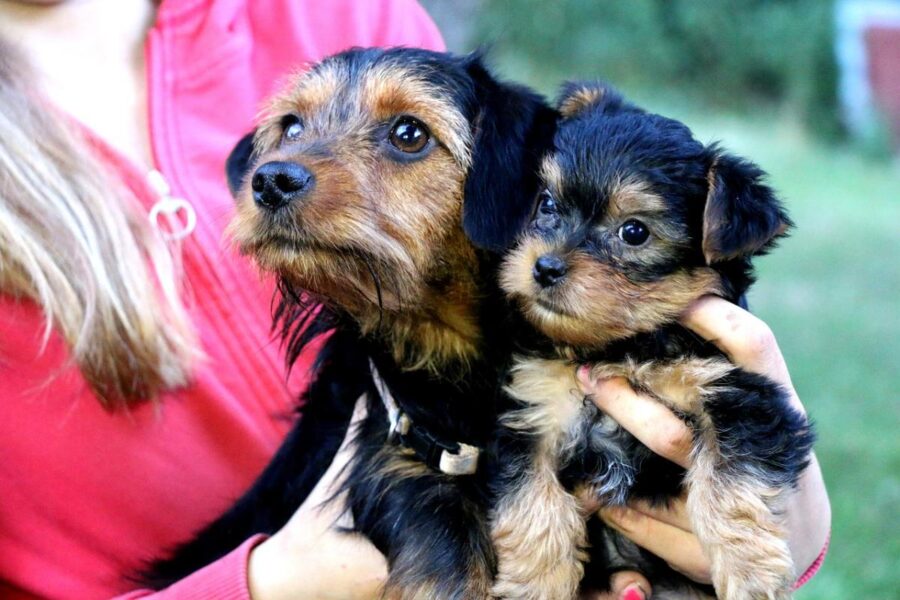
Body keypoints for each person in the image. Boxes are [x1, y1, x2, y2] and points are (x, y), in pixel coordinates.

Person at [0, 1, 829, 599]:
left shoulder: (341, 12)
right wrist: (260, 585)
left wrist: (779, 517)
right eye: (285, 130)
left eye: (407, 137)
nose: (283, 168)